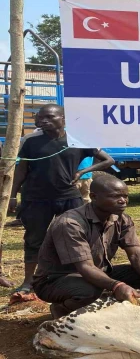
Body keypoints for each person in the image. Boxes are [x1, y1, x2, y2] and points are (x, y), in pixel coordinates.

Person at [9, 104, 115, 294]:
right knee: (34, 239)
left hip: (69, 197)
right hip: (36, 199)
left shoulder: (78, 139)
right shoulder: (30, 140)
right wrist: (13, 196)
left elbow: (108, 160)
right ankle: (28, 282)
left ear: (63, 119)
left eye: (49, 117)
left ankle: (84, 276)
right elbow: (22, 169)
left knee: (78, 237)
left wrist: (83, 170)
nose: (43, 121)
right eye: (40, 117)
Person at [32, 175, 140, 318]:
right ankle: (62, 309)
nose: (123, 201)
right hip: (55, 280)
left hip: (96, 272)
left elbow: (135, 252)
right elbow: (85, 267)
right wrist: (117, 286)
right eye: (116, 196)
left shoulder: (121, 219)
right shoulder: (70, 224)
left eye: (125, 196)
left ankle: (104, 304)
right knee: (89, 291)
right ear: (93, 197)